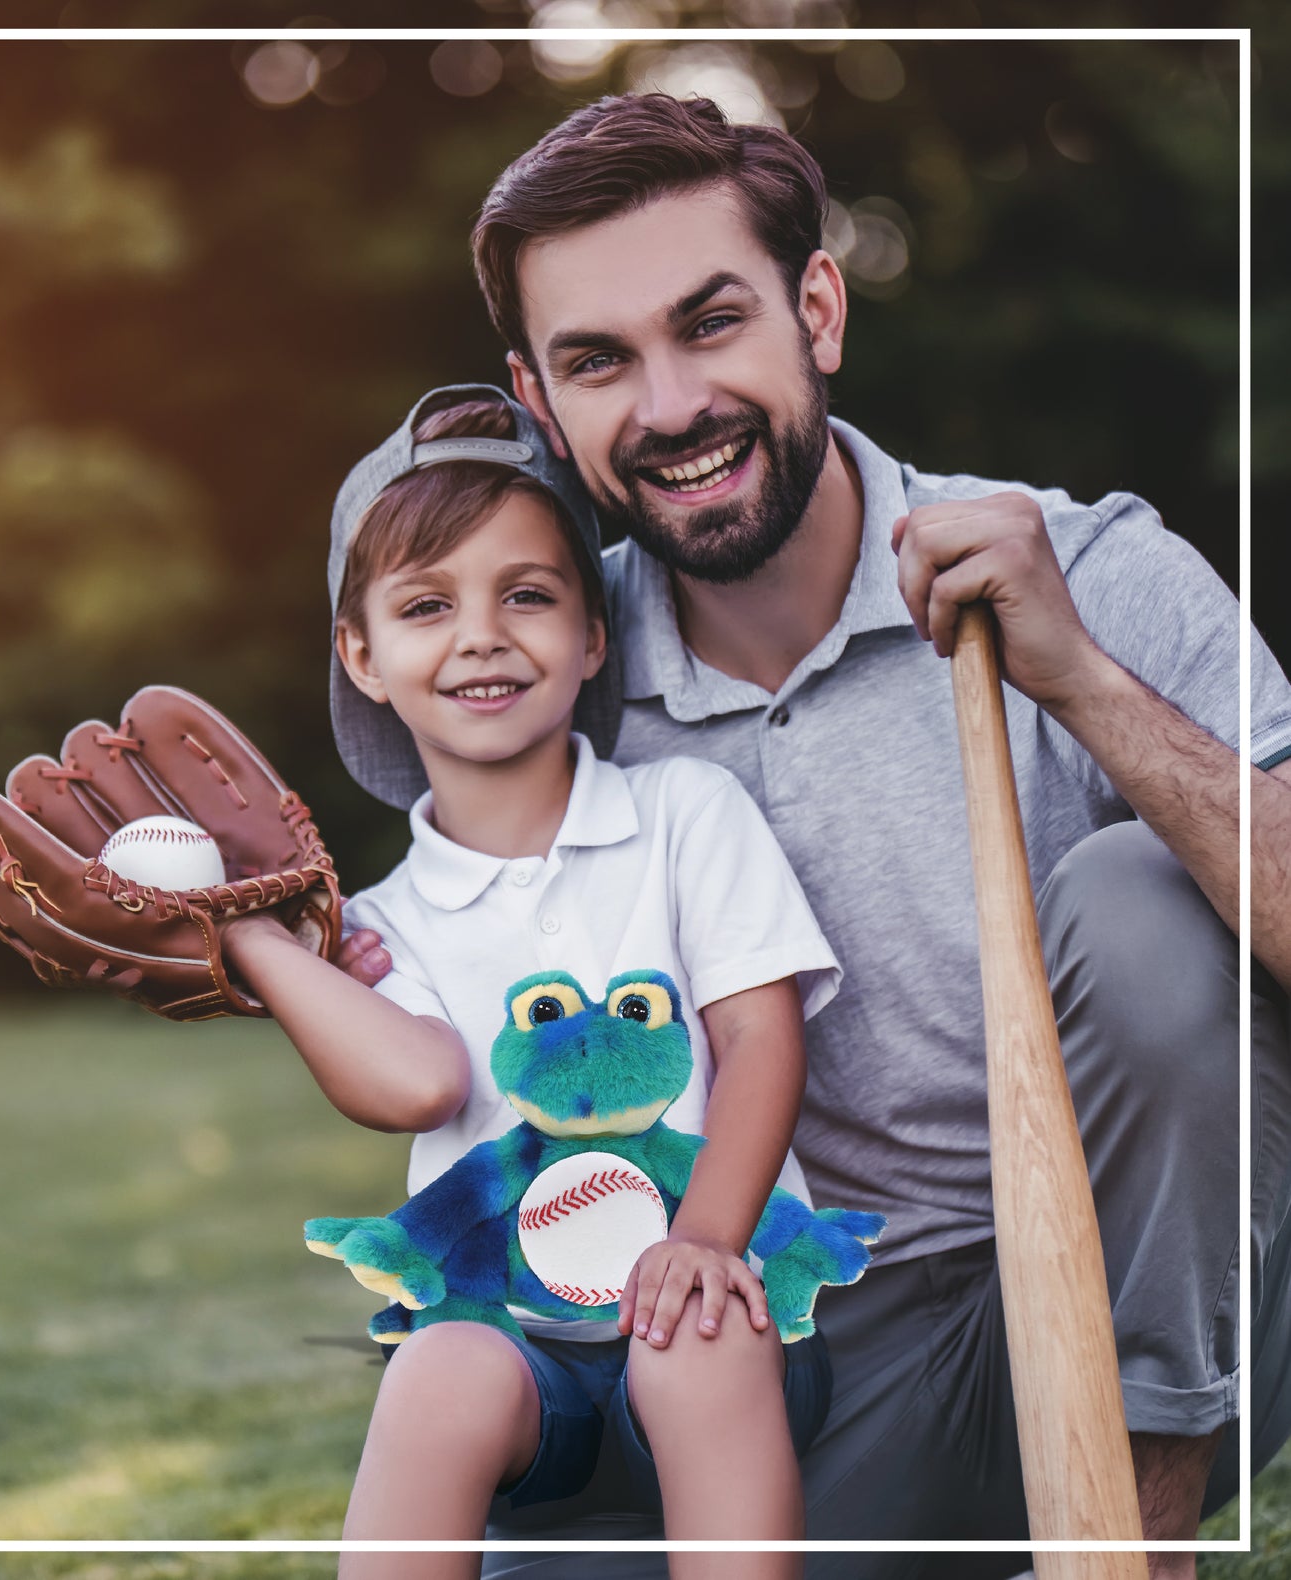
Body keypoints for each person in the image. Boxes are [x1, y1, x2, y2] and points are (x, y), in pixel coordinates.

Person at [337, 94, 1291, 1579]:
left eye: (710, 323)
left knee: (1137, 902)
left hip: (1167, 1291)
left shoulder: (1087, 566)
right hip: (809, 1340)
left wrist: (1085, 684)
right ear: (538, 397)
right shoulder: (544, 664)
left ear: (819, 307)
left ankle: (1123, 1553)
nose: (666, 407)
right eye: (598, 362)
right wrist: (235, 937)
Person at [226, 384, 866, 1580]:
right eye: (425, 605)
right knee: (435, 1366)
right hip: (521, 1364)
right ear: (361, 655)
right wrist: (259, 943)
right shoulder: (375, 928)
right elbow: (418, 1082)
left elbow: (762, 1041)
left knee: (699, 1331)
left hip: (724, 1322)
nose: (479, 634)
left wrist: (709, 1235)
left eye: (526, 595)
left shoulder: (683, 815)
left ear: (592, 634)